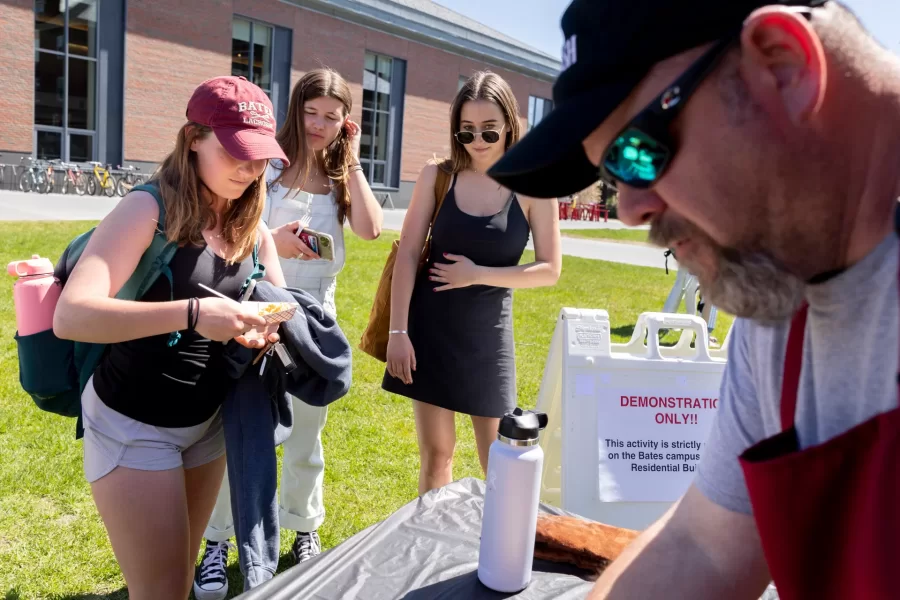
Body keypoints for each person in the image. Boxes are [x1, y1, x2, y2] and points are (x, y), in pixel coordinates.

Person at [488, 0, 900, 598]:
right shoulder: (780, 290)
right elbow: (703, 546)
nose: (628, 208)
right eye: (612, 176)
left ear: (784, 65)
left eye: (636, 152)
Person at [52, 76, 287, 600]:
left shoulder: (253, 221)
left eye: (260, 159)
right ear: (193, 139)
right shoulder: (146, 209)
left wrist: (262, 328)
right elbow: (73, 316)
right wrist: (194, 314)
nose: (250, 172)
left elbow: (276, 302)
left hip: (208, 424)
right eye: (237, 153)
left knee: (179, 577)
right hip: (133, 421)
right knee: (159, 591)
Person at [195, 68, 383, 599]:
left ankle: (303, 529)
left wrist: (353, 158)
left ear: (347, 121)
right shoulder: (266, 168)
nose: (320, 124)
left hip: (311, 322)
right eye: (312, 111)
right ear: (295, 109)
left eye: (333, 115)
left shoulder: (343, 177)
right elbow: (231, 229)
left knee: (306, 436)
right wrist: (273, 238)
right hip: (252, 312)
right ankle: (216, 542)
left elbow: (371, 229)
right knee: (235, 435)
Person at [382, 71, 562, 496]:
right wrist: (398, 331)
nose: (477, 140)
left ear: (509, 127)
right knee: (437, 455)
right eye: (466, 131)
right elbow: (407, 254)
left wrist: (476, 275)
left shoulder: (535, 186)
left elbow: (549, 269)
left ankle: (498, 552)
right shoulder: (437, 175)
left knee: (498, 457)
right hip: (428, 331)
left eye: (488, 130)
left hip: (488, 337)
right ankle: (433, 552)